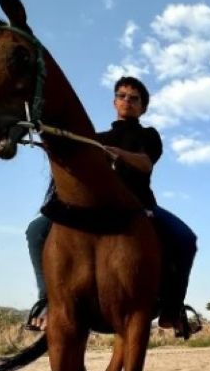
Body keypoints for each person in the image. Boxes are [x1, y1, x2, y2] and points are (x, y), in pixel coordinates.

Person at [24, 76, 199, 337]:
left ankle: (172, 311)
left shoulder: (148, 135)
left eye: (134, 98)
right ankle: (46, 300)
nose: (127, 101)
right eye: (122, 95)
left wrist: (112, 153)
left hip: (140, 205)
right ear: (114, 101)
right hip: (96, 207)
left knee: (186, 239)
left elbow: (145, 163)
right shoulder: (95, 137)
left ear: (143, 107)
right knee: (36, 230)